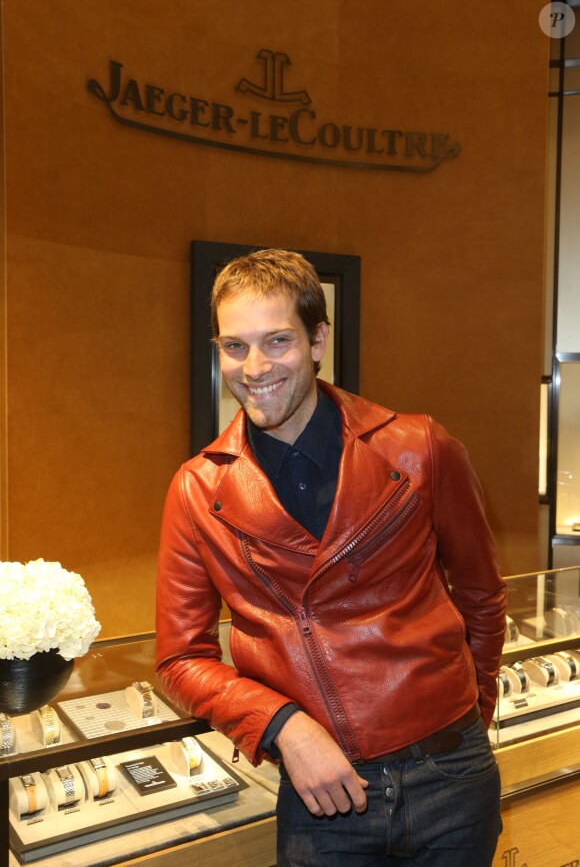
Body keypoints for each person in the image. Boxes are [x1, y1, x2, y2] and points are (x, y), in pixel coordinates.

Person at [156, 248, 506, 866]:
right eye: (234, 346)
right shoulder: (197, 489)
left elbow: (480, 593)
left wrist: (469, 718)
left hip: (454, 776)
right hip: (323, 793)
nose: (254, 367)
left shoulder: (419, 447)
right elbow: (182, 656)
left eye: (277, 341)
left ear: (318, 340)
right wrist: (284, 727)